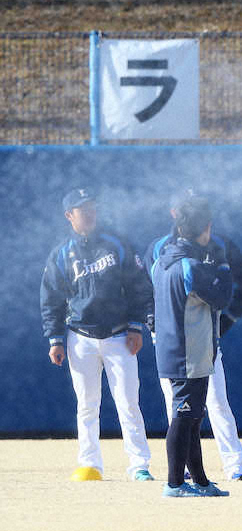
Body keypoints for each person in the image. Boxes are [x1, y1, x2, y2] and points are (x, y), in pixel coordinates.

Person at [40, 188, 155, 482]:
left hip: (119, 336)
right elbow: (51, 298)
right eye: (82, 209)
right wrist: (55, 339)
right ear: (69, 216)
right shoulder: (62, 254)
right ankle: (90, 463)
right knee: (88, 404)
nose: (89, 213)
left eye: (92, 207)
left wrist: (135, 325)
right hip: (81, 337)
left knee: (128, 402)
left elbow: (139, 286)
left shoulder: (116, 244)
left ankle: (139, 464)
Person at [146, 190, 242, 481]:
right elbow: (147, 291)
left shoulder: (217, 245)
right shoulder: (162, 250)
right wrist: (152, 321)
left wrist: (228, 321)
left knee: (212, 403)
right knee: (182, 410)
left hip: (203, 337)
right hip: (177, 339)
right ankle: (178, 475)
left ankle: (232, 465)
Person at [151, 196, 233, 497]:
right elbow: (222, 297)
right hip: (188, 352)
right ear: (205, 228)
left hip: (176, 349)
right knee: (185, 415)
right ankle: (174, 483)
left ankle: (198, 481)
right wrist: (222, 265)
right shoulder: (190, 265)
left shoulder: (161, 260)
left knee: (192, 417)